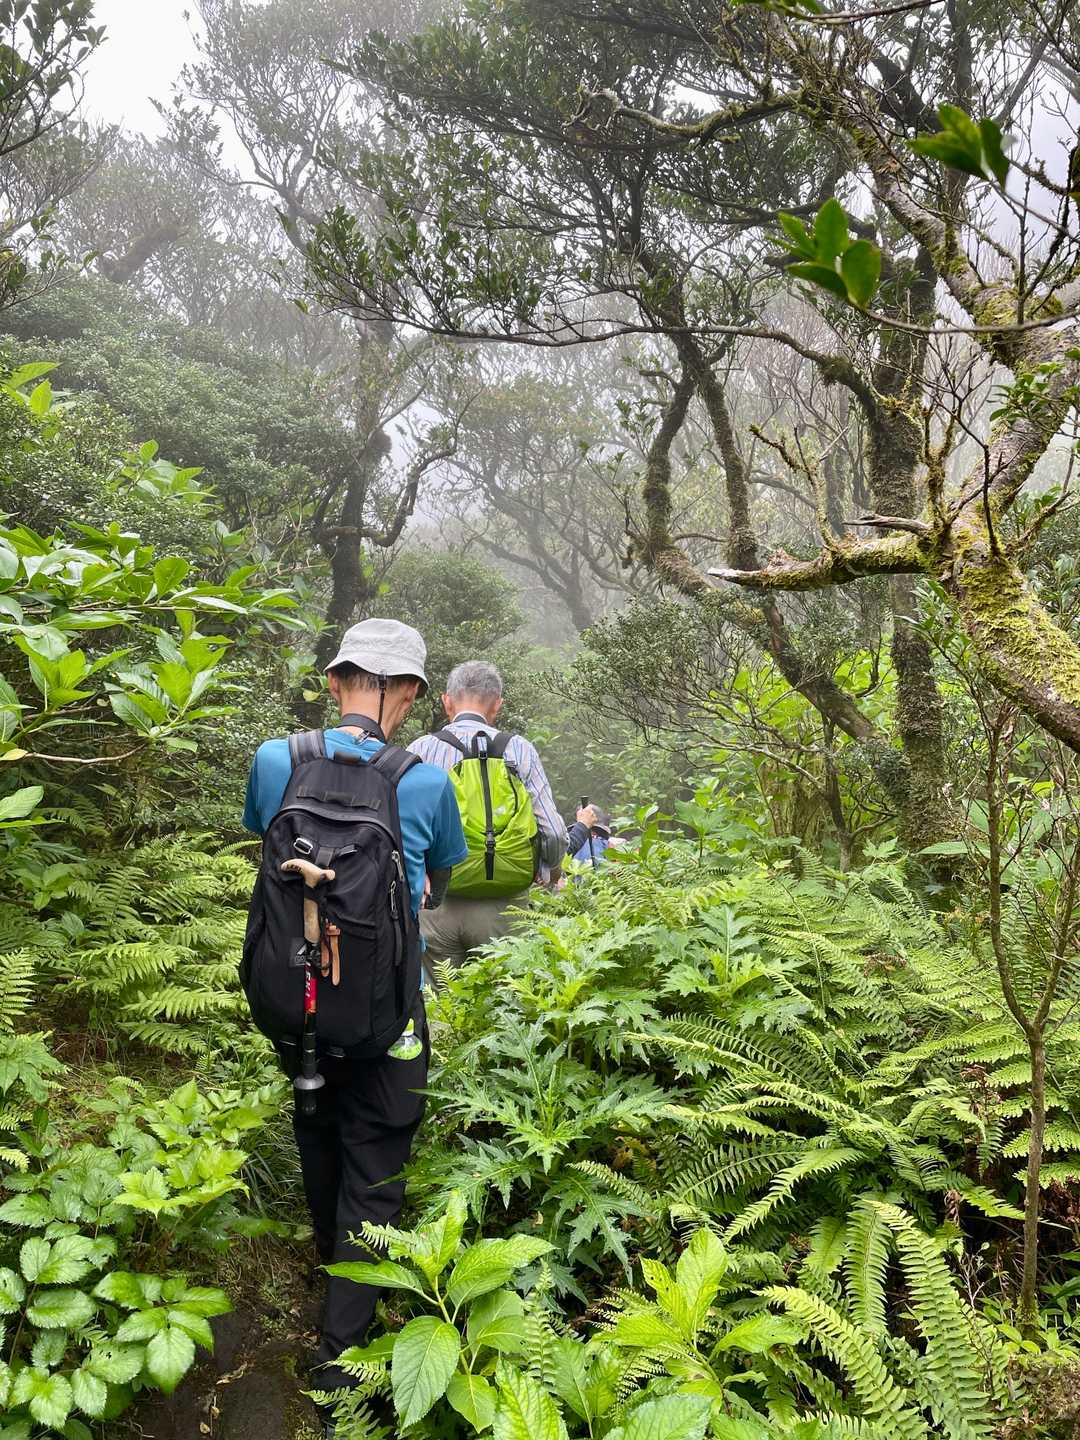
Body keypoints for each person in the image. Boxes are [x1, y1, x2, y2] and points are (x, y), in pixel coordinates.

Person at [242, 619, 467, 1416]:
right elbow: (439, 879)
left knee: (317, 1119)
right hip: (384, 1010)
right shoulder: (426, 782)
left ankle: (325, 1253)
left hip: (297, 1000)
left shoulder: (276, 759)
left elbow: (262, 836)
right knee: (376, 1165)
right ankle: (341, 1369)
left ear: (335, 681)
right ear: (409, 693)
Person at [408, 659, 597, 967]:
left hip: (436, 903)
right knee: (505, 991)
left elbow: (402, 825)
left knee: (440, 994)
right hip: (506, 905)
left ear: (446, 702)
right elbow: (553, 831)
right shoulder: (519, 750)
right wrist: (547, 869)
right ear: (497, 704)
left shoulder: (422, 748)